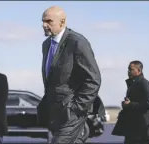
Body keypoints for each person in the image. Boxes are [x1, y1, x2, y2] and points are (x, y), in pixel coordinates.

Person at [37, 6, 101, 144]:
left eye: (49, 21)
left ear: (62, 22)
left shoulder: (77, 42)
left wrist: (76, 108)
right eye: (43, 21)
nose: (44, 25)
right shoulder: (46, 44)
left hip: (71, 112)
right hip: (55, 113)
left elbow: (93, 79)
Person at [112, 60, 149, 144]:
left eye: (131, 69)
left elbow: (148, 104)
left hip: (141, 131)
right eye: (128, 69)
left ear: (139, 70)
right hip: (132, 130)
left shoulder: (144, 84)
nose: (129, 72)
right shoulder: (133, 84)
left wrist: (130, 104)